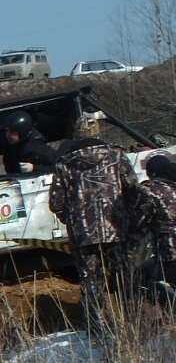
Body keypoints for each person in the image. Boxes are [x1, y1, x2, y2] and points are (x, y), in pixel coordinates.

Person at [49, 137, 139, 339]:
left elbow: (56, 203)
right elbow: (133, 189)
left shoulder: (64, 165)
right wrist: (127, 216)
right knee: (125, 279)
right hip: (117, 230)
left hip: (83, 236)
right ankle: (135, 326)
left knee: (91, 284)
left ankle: (99, 332)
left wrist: (71, 219)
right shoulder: (116, 156)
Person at [133, 155, 176, 301]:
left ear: (152, 173)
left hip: (169, 252)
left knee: (141, 274)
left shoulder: (150, 189)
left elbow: (138, 221)